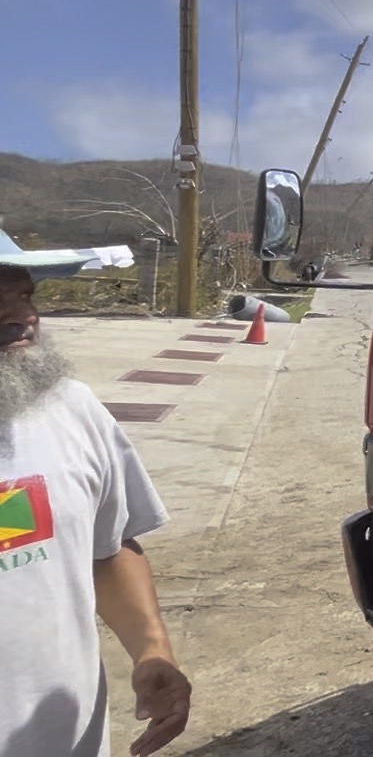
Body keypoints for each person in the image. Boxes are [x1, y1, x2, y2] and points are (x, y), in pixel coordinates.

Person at [0, 262, 192, 757]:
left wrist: (151, 650)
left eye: (23, 295)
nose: (19, 317)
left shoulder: (70, 408)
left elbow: (105, 550)